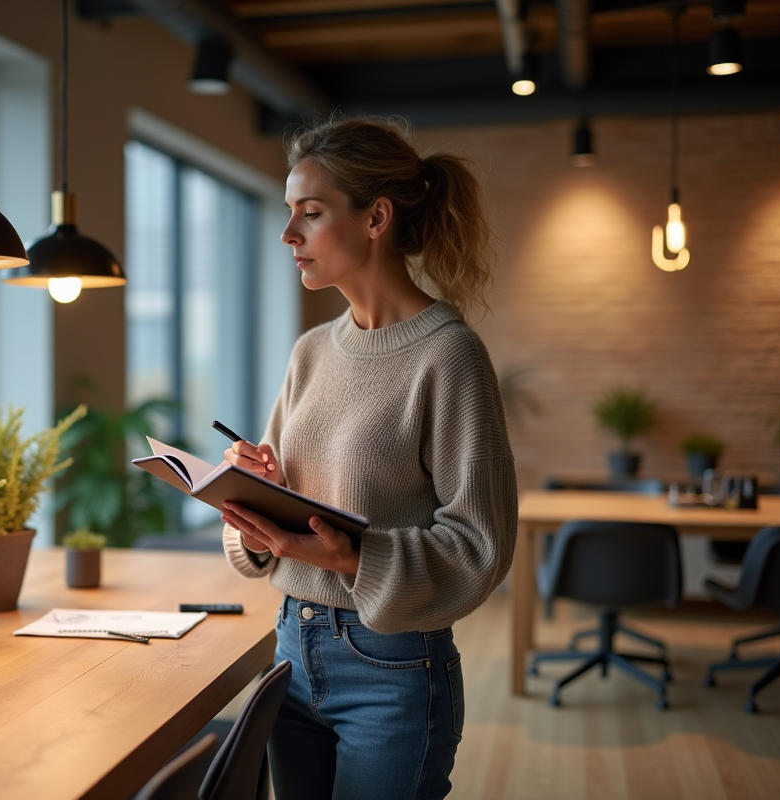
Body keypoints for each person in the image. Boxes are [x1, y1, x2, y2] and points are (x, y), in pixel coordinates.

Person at [219, 117, 517, 800]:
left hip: (392, 667)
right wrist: (257, 494)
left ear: (376, 217)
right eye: (289, 212)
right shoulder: (311, 352)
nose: (289, 233)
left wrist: (352, 558)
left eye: (311, 213)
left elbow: (481, 545)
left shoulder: (449, 355)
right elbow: (276, 533)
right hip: (291, 649)